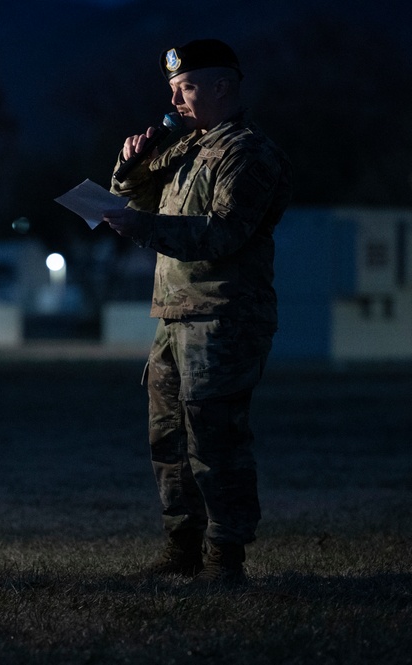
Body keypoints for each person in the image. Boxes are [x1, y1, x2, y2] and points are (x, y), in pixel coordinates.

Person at [102, 38, 292, 587]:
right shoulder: (185, 147)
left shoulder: (248, 152)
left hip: (224, 315)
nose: (177, 101)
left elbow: (227, 232)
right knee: (168, 438)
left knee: (215, 438)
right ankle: (181, 546)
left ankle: (224, 556)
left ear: (223, 88)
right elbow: (131, 196)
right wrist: (132, 159)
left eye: (185, 88)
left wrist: (145, 228)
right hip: (176, 314)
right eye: (173, 91)